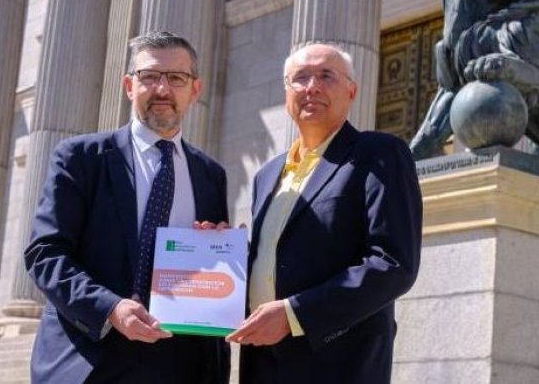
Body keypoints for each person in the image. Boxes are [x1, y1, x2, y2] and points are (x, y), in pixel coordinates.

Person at [25, 32, 230, 384]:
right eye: (149, 76)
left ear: (195, 90)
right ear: (128, 85)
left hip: (181, 365)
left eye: (176, 78)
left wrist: (219, 253)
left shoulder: (211, 175)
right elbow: (45, 254)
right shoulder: (80, 158)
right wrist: (111, 309)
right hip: (92, 358)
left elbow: (210, 272)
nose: (162, 90)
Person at [227, 43, 423, 384]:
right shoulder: (268, 175)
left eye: (326, 76)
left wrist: (293, 315)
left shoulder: (379, 154)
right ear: (287, 93)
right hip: (262, 365)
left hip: (339, 364)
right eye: (300, 78)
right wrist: (219, 252)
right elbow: (273, 263)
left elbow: (392, 264)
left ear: (352, 90)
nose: (312, 87)